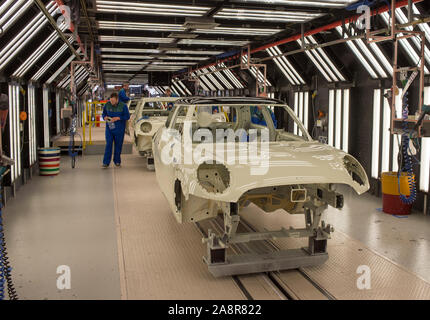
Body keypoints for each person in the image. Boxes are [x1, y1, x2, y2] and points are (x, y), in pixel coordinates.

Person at [102, 92, 130, 168]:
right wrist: (104, 117)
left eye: (113, 101)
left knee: (118, 145)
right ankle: (106, 162)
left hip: (119, 129)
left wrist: (118, 118)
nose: (112, 103)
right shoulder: (107, 105)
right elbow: (103, 113)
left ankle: (117, 161)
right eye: (111, 101)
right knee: (108, 144)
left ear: (117, 99)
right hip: (109, 128)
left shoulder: (123, 106)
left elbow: (127, 117)